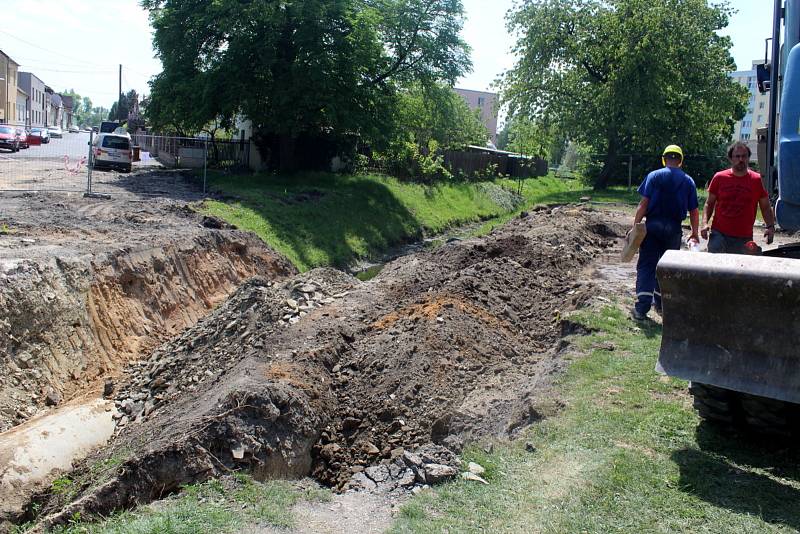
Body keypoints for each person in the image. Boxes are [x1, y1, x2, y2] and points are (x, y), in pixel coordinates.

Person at [631, 145, 699, 320]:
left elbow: (643, 204)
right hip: (674, 230)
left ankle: (641, 308)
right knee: (666, 269)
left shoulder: (653, 176)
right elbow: (694, 211)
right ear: (680, 160)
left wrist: (635, 227)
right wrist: (695, 233)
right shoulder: (688, 181)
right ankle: (661, 305)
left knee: (647, 265)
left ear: (664, 158)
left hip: (652, 227)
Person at [701, 141, 775, 253]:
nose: (741, 159)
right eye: (737, 156)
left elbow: (765, 207)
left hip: (744, 237)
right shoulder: (719, 177)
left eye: (744, 156)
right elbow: (709, 204)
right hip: (719, 234)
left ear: (748, 158)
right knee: (715, 266)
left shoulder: (756, 180)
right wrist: (705, 224)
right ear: (731, 159)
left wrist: (770, 227)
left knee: (741, 268)